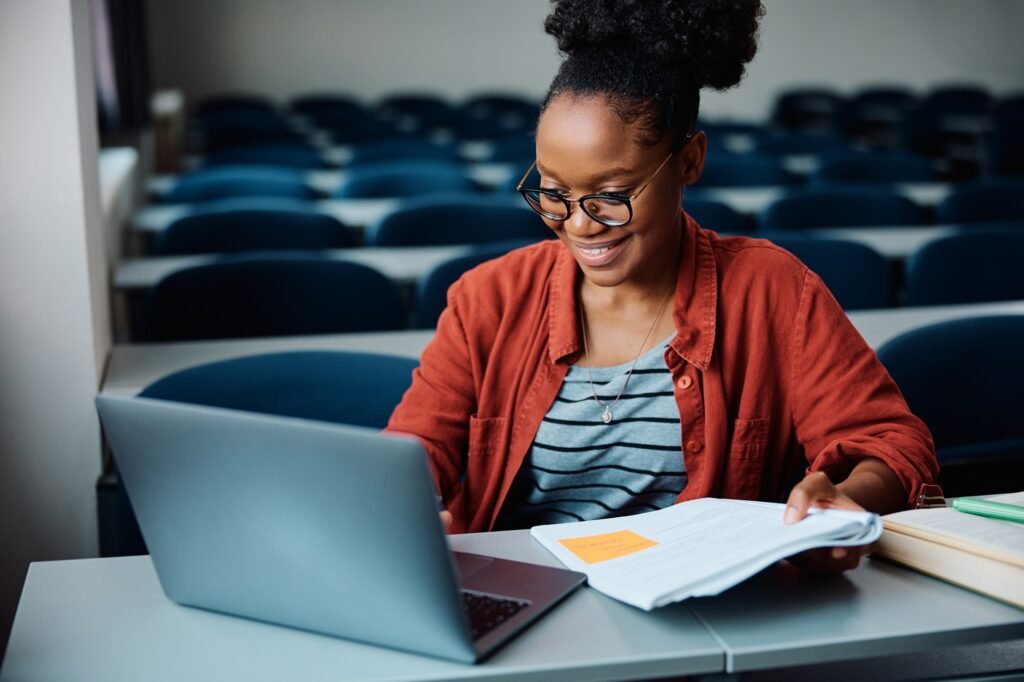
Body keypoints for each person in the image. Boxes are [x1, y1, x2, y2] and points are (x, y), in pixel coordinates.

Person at [386, 0, 940, 574]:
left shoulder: (773, 291)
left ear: (690, 162)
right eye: (552, 191)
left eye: (612, 193)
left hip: (702, 607)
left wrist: (849, 497)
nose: (579, 224)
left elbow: (892, 442)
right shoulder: (488, 298)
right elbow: (413, 451)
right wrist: (403, 504)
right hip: (526, 590)